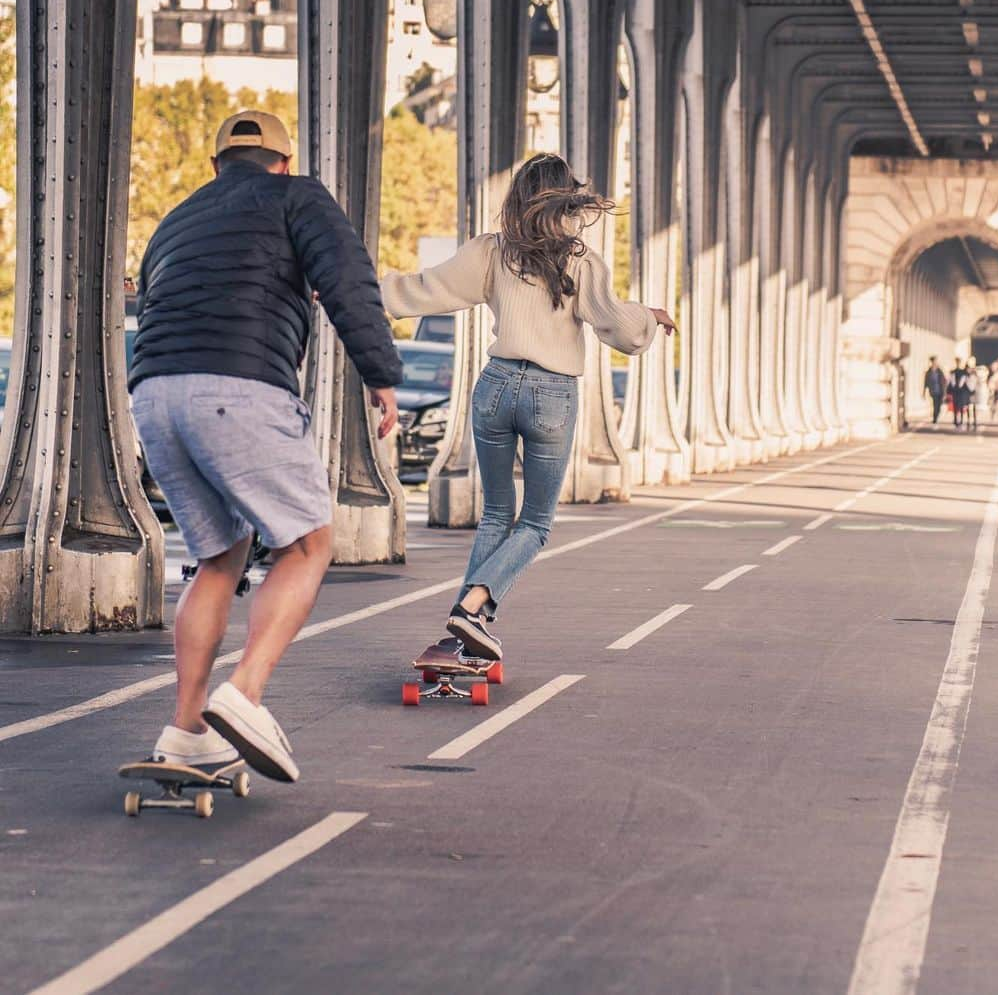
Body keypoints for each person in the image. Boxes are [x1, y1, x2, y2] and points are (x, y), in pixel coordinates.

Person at [129, 109, 402, 782]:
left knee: (217, 558)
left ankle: (187, 729)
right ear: (281, 162)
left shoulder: (176, 218)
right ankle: (244, 693)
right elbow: (348, 280)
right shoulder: (296, 195)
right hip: (240, 384)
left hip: (156, 393)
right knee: (307, 543)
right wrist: (381, 375)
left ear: (216, 166)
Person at [380, 153, 673, 661]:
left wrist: (358, 291)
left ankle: (461, 631)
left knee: (496, 513)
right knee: (535, 524)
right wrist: (648, 317)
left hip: (494, 387)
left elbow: (426, 289)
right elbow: (620, 329)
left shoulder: (492, 253)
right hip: (551, 396)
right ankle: (472, 611)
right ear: (568, 201)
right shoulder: (579, 262)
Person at [947, 357, 971, 431]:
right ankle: (956, 420)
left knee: (960, 407)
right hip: (955, 392)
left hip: (961, 392)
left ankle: (960, 421)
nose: (958, 363)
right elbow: (950, 382)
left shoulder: (963, 372)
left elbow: (967, 382)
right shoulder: (953, 372)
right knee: (955, 406)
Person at [922, 356, 946, 424]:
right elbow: (925, 383)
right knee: (935, 404)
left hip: (940, 391)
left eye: (935, 361)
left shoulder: (940, 371)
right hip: (933, 391)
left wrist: (944, 392)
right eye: (933, 361)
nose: (934, 363)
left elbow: (944, 381)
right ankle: (935, 418)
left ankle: (936, 415)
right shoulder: (928, 372)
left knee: (939, 406)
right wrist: (924, 392)